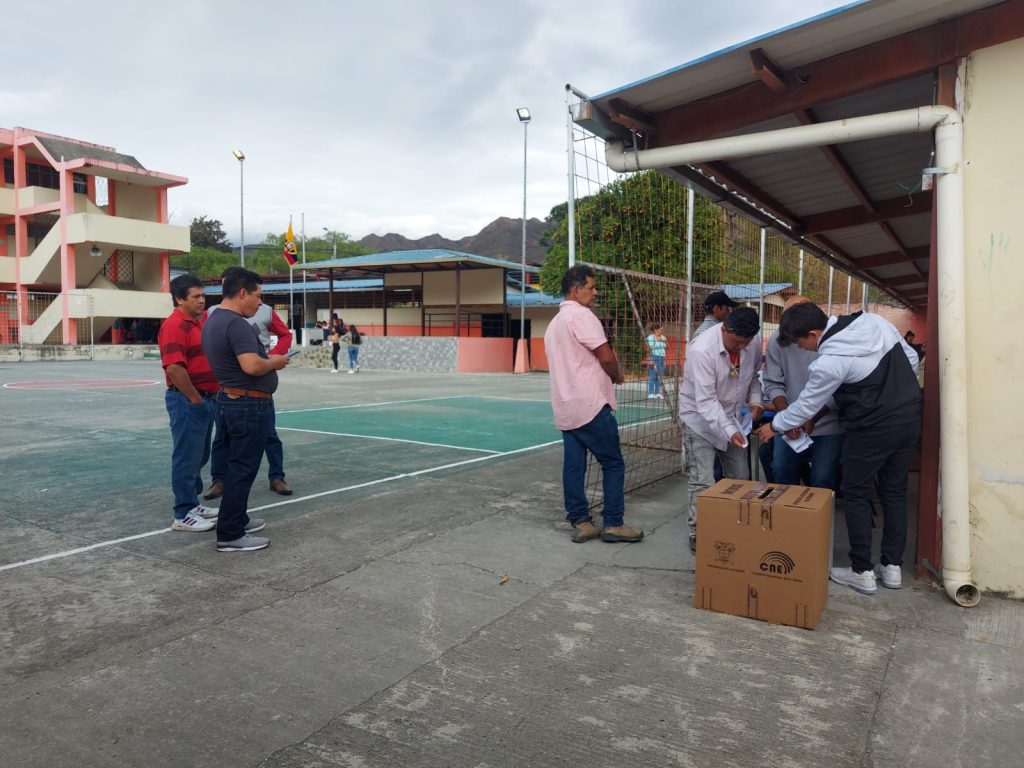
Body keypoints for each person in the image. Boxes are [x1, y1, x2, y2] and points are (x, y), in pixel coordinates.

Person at [754, 303, 921, 595]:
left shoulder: (830, 360)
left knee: (856, 492)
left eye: (801, 342)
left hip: (869, 426)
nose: (802, 349)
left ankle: (862, 571)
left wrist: (774, 426)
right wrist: (891, 391)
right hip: (908, 417)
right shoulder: (873, 323)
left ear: (814, 332)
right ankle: (892, 567)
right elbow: (909, 358)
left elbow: (806, 404)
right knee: (894, 490)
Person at [544, 264, 644, 545]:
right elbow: (606, 355)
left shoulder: (554, 325)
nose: (595, 291)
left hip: (566, 406)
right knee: (612, 462)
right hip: (590, 404)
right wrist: (617, 376)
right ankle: (614, 522)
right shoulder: (582, 317)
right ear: (576, 290)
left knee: (574, 466)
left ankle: (581, 521)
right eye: (591, 286)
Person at [201, 268, 290, 552]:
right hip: (248, 403)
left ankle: (237, 518)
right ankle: (231, 533)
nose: (260, 303)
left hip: (232, 399)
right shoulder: (236, 324)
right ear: (242, 293)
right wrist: (275, 362)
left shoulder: (214, 320)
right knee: (243, 467)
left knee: (234, 463)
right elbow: (251, 365)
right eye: (258, 296)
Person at [679, 307, 763, 553]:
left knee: (740, 476)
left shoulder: (752, 342)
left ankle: (735, 526)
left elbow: (754, 377)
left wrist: (755, 401)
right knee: (702, 480)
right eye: (736, 343)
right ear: (724, 329)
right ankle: (698, 532)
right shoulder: (701, 350)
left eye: (745, 344)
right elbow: (705, 401)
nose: (740, 348)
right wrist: (729, 430)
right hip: (700, 421)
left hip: (733, 418)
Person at [762, 295, 844, 491]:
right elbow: (773, 382)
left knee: (823, 479)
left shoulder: (833, 341)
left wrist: (811, 418)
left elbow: (839, 388)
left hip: (828, 423)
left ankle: (819, 520)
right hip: (791, 423)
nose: (797, 344)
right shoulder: (777, 340)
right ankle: (790, 517)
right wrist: (788, 416)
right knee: (781, 469)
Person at [158, 275, 220, 532]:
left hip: (202, 398)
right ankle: (183, 513)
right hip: (188, 400)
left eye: (203, 296)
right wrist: (195, 400)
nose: (201, 301)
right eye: (195, 296)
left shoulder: (195, 324)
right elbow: (174, 368)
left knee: (198, 455)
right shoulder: (175, 325)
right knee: (186, 456)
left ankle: (192, 504)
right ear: (179, 298)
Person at [645, 323, 667, 399]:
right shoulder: (650, 337)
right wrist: (660, 342)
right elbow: (650, 347)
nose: (662, 331)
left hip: (662, 357)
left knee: (659, 376)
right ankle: (651, 393)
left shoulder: (663, 337)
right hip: (654, 357)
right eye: (661, 329)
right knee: (652, 375)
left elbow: (667, 346)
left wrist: (662, 342)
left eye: (662, 329)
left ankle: (657, 393)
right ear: (655, 330)